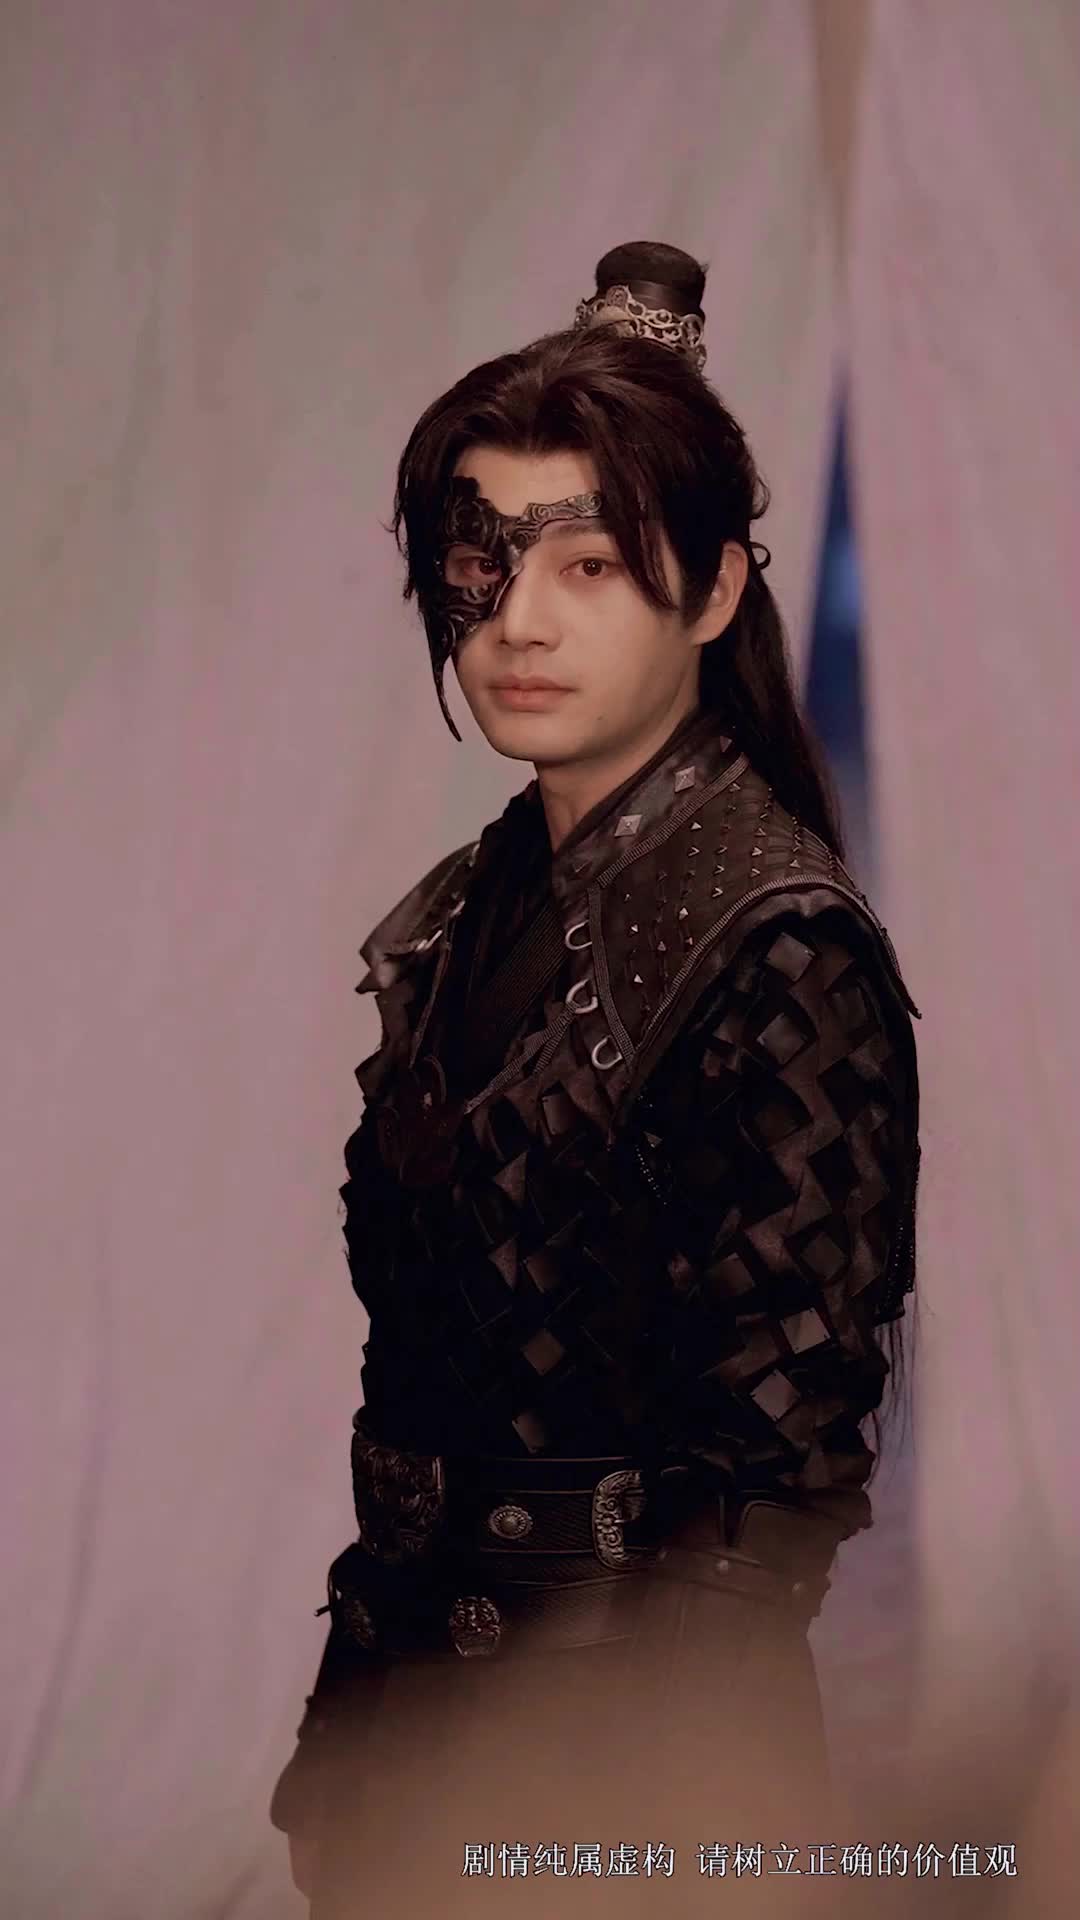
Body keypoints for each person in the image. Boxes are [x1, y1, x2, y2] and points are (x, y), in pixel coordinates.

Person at [269, 241, 922, 1916]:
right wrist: (356, 1741)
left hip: (635, 1767)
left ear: (712, 591)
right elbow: (418, 1382)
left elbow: (772, 1492)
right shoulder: (469, 911)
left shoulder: (780, 942)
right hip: (413, 1709)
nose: (521, 621)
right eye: (481, 562)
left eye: (593, 564)